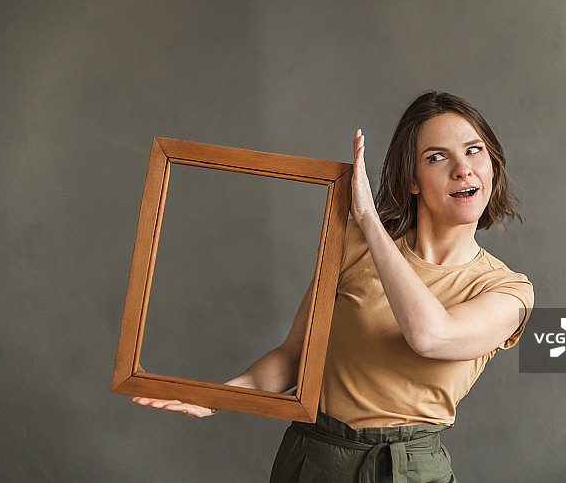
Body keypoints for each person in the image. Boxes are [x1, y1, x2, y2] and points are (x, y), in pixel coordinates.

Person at [133, 91, 534, 482]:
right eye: (436, 157)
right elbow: (295, 356)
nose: (462, 168)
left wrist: (368, 217)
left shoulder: (508, 291)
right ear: (412, 180)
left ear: (492, 166)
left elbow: (431, 336)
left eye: (474, 150)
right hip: (314, 459)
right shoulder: (351, 245)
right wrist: (217, 398)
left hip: (410, 469)